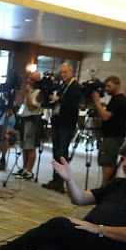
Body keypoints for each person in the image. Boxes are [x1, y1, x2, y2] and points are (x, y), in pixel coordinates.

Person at [43, 63, 80, 192]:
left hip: (67, 124)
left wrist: (59, 99)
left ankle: (62, 182)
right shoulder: (62, 85)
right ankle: (55, 179)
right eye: (61, 73)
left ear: (71, 72)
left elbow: (74, 106)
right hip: (58, 122)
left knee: (62, 152)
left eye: (65, 72)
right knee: (56, 152)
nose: (62, 75)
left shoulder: (75, 87)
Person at [91, 76, 126, 185]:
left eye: (109, 86)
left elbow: (105, 116)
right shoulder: (118, 99)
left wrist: (97, 102)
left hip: (113, 136)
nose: (106, 89)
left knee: (107, 161)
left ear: (117, 85)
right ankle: (108, 185)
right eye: (105, 86)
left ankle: (105, 186)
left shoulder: (118, 99)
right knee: (107, 160)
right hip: (113, 135)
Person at [14, 72, 42, 180]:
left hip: (32, 121)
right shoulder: (32, 91)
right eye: (30, 79)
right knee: (24, 146)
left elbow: (31, 107)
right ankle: (24, 168)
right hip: (24, 119)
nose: (30, 82)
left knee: (30, 146)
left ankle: (29, 171)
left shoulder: (38, 92)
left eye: (33, 80)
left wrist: (27, 93)